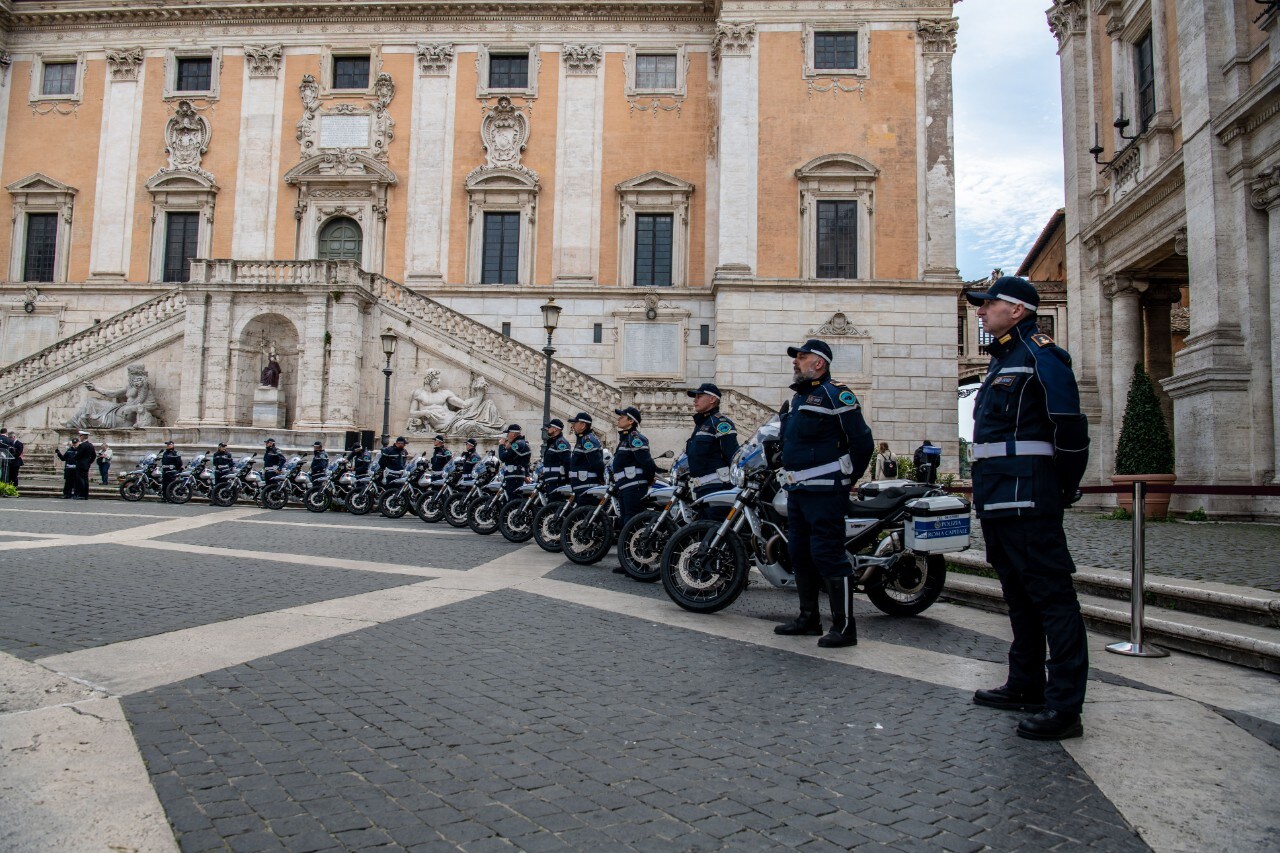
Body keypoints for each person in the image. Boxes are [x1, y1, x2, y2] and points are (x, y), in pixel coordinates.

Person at [966, 275, 1090, 742]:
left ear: (1017, 311)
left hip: (1029, 497)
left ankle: (1064, 706)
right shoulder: (1004, 361)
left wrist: (1060, 488)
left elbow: (1069, 428)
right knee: (1018, 598)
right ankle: (1025, 683)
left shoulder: (1043, 355)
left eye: (988, 305)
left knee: (1052, 600)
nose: (980, 311)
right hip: (998, 499)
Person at [774, 339, 874, 648]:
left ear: (819, 363)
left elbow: (862, 443)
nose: (796, 362)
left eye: (802, 357)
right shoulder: (798, 402)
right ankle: (809, 618)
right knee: (800, 555)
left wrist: (845, 478)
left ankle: (845, 627)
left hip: (826, 493)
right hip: (798, 492)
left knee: (828, 556)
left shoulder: (836, 395)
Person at [610, 407, 656, 570]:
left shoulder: (636, 438)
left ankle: (639, 562)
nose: (619, 419)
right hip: (624, 486)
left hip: (634, 487)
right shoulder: (625, 439)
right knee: (625, 522)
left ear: (631, 421)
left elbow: (647, 462)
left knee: (633, 523)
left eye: (622, 417)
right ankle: (628, 560)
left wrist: (649, 479)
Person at [683, 383, 739, 509]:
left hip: (717, 488)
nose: (695, 400)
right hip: (701, 488)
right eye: (695, 397)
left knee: (714, 525)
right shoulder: (701, 424)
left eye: (699, 396)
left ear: (712, 399)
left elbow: (732, 455)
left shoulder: (720, 423)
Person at [567, 413, 604, 498]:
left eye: (575, 423)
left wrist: (600, 479)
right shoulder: (582, 439)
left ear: (583, 425)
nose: (573, 426)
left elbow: (597, 463)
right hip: (581, 484)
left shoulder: (587, 440)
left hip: (586, 485)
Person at [498, 424, 531, 500]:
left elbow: (503, 457)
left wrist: (501, 445)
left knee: (513, 499)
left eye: (508, 433)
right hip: (516, 475)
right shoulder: (521, 443)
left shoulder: (517, 444)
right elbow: (525, 462)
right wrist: (526, 474)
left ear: (513, 434)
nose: (507, 436)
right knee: (511, 499)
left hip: (514, 476)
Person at [540, 419, 571, 491]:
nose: (547, 429)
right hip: (550, 479)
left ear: (555, 429)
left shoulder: (561, 442)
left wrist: (568, 479)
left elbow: (567, 462)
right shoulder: (552, 442)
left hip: (557, 480)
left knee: (555, 501)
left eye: (549, 427)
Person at [73, 431, 95, 499]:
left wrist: (75, 458)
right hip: (86, 464)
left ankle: (81, 494)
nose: (80, 437)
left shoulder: (82, 445)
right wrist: (89, 462)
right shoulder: (90, 445)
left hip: (81, 464)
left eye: (80, 436)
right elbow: (94, 456)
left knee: (80, 479)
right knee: (85, 480)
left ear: (82, 436)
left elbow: (78, 455)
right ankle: (85, 495)